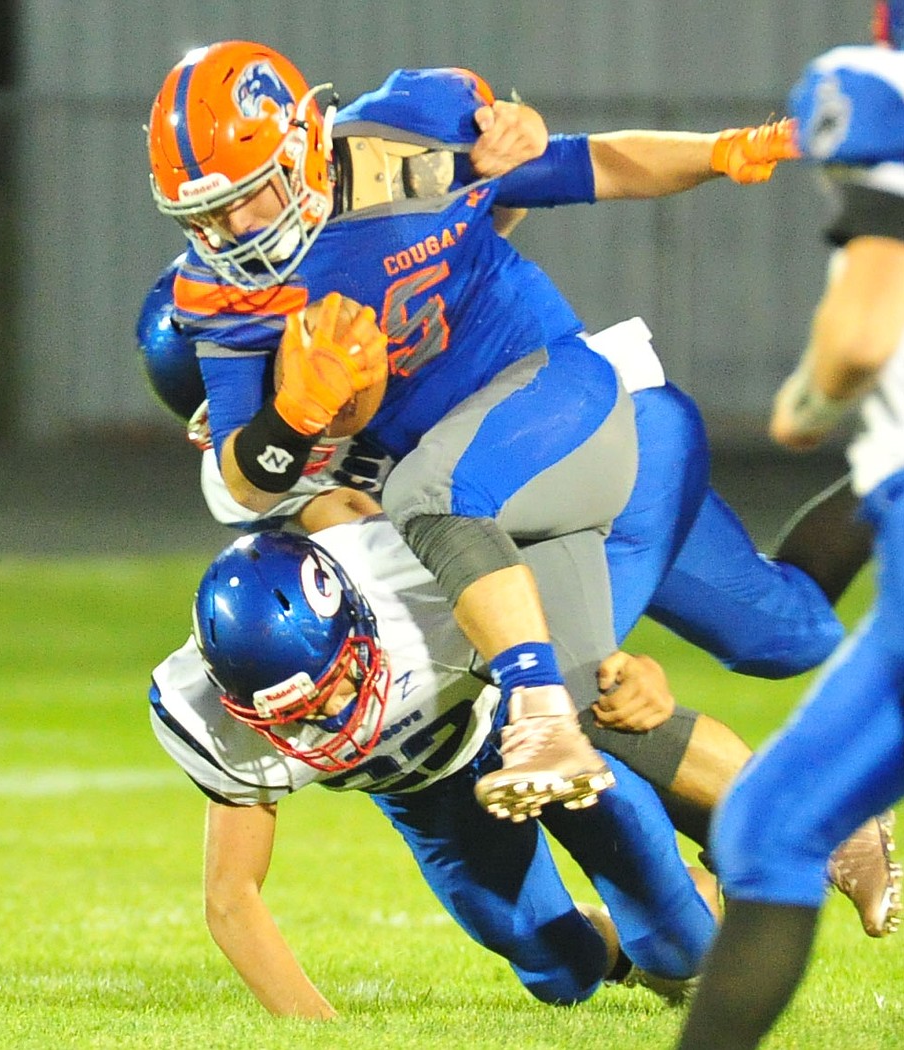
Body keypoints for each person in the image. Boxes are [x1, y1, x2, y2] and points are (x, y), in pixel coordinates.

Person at [139, 263, 900, 938]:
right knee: (786, 633)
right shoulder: (256, 481)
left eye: (267, 375)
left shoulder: (355, 326)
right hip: (533, 536)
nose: (278, 396)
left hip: (595, 455)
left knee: (569, 684)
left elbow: (463, 254)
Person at [145, 41, 800, 821]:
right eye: (204, 215)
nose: (230, 229)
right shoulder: (216, 287)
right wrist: (291, 416)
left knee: (432, 498)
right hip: (479, 478)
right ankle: (823, 829)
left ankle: (538, 713)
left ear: (303, 145)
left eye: (247, 196)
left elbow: (591, 167)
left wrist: (719, 152)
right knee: (596, 691)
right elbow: (245, 475)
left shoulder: (404, 141)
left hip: (550, 400)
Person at [150, 523, 721, 1018]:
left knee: (683, 952)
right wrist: (316, 1030)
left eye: (336, 684)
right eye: (295, 713)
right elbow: (231, 895)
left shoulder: (416, 580)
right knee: (562, 975)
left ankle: (715, 882)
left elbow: (565, 597)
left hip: (519, 725)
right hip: (427, 796)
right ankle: (622, 946)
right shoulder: (204, 714)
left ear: (358, 620)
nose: (331, 717)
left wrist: (630, 668)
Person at [676, 7, 904, 1047]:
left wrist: (807, 403)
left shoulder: (879, 97)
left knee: (771, 825)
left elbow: (860, 331)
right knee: (771, 820)